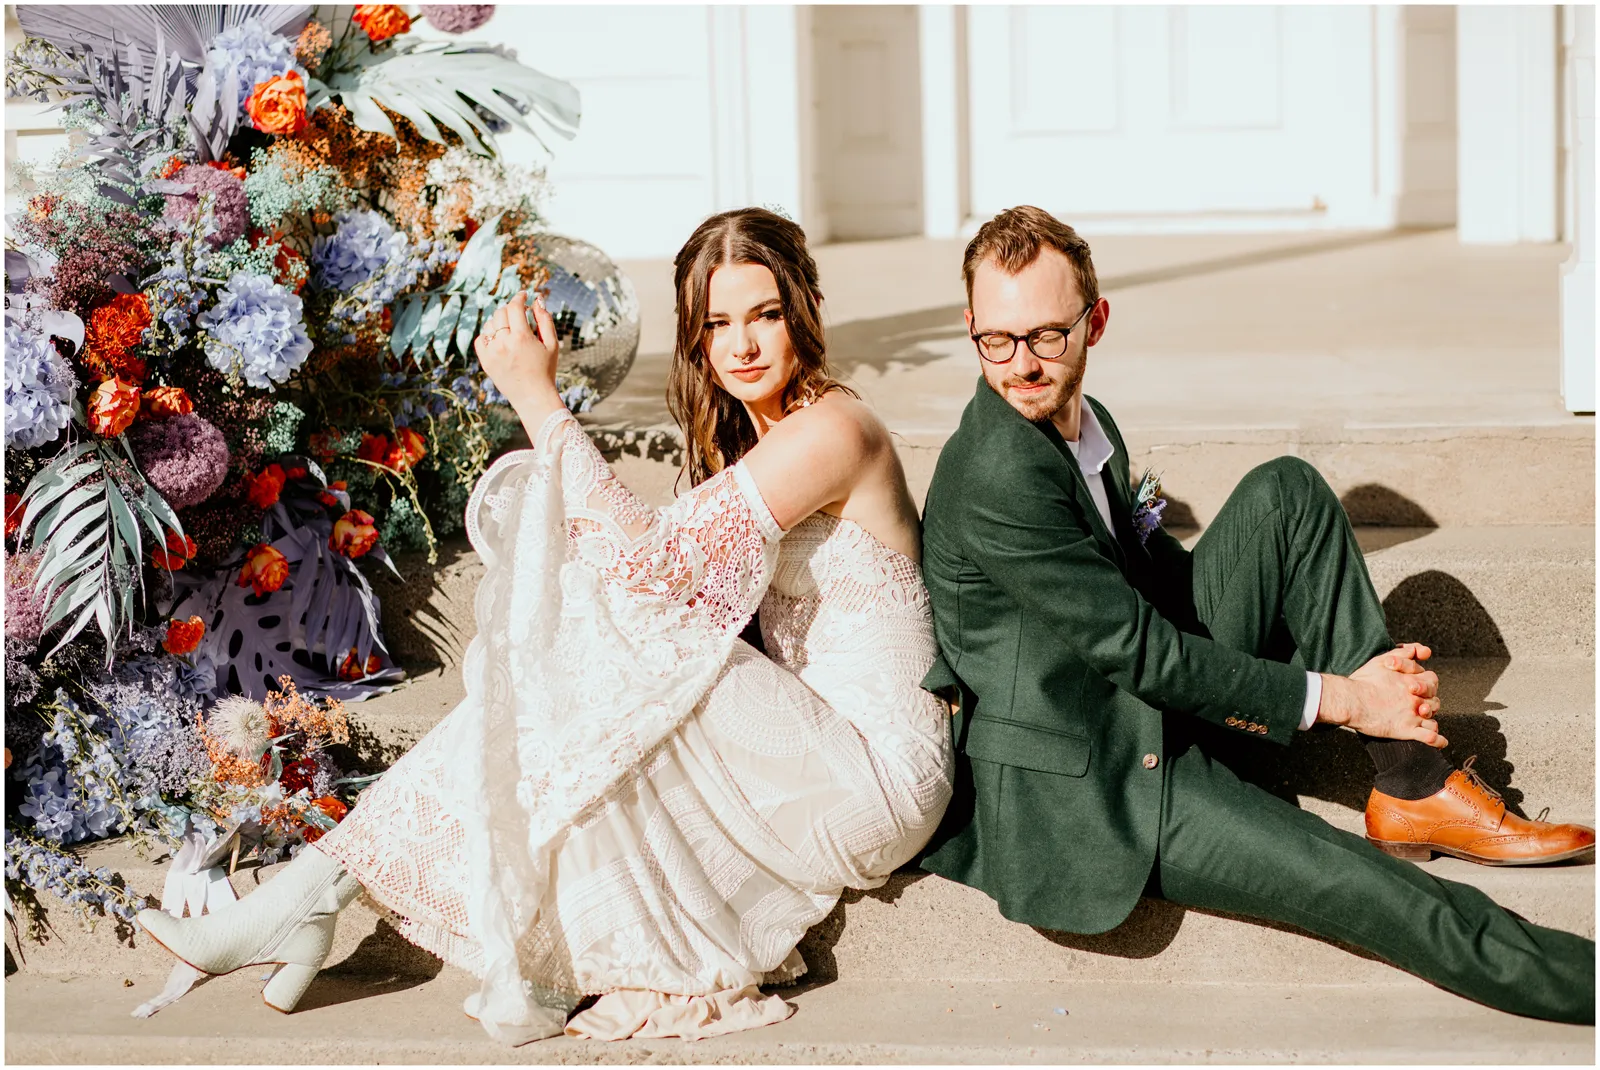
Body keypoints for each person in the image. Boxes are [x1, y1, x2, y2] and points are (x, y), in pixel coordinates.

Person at [135, 208, 953, 1043]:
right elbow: (648, 577)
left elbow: (650, 567)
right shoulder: (760, 433)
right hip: (804, 746)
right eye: (716, 324)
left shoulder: (833, 429)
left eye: (765, 315)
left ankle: (310, 901)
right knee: (599, 656)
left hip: (873, 771)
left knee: (609, 649)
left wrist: (536, 396)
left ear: (804, 310)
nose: (741, 345)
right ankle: (315, 898)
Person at [916, 205, 1595, 1024]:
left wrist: (1348, 690)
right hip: (1100, 779)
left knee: (1287, 494)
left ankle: (1412, 781)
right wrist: (1346, 697)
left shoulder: (1086, 423)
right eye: (996, 339)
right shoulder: (997, 471)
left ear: (1095, 322)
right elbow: (1144, 654)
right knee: (1362, 882)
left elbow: (1153, 582)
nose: (1022, 364)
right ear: (971, 326)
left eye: (1047, 336)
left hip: (1153, 701)